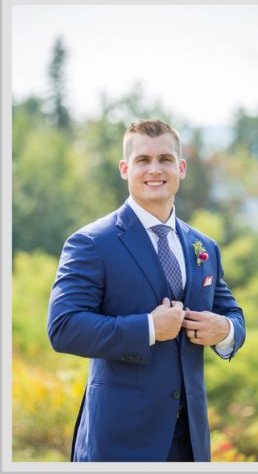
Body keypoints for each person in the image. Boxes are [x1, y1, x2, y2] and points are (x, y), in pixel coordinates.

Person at [48, 119, 246, 462]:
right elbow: (63, 328)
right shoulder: (92, 243)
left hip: (190, 445)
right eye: (143, 160)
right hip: (119, 442)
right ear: (125, 169)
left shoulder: (204, 247)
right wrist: (150, 328)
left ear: (181, 168)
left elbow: (234, 316)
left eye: (165, 159)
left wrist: (225, 331)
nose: (155, 169)